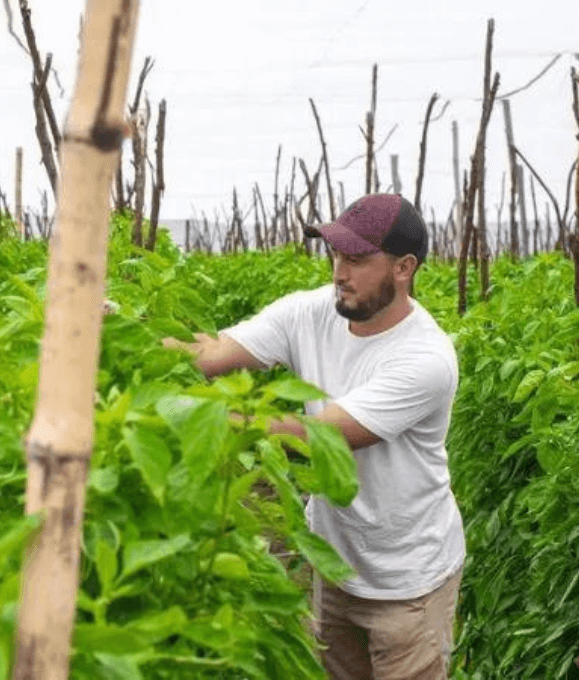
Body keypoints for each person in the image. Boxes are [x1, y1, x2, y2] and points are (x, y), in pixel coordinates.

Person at [166, 193, 465, 679]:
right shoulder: (310, 312)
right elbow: (212, 351)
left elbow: (320, 436)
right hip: (335, 564)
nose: (340, 272)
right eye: (336, 255)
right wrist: (120, 333)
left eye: (358, 259)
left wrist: (198, 420)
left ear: (404, 267)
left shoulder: (425, 359)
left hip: (408, 582)